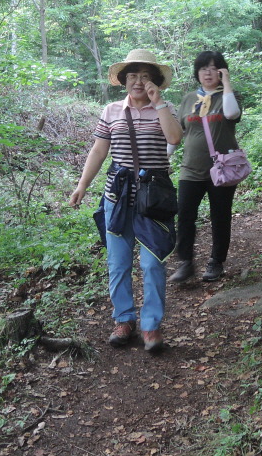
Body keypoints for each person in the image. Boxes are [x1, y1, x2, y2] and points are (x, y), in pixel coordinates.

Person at [68, 48, 182, 354]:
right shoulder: (111, 111)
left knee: (152, 263)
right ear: (124, 80)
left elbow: (174, 139)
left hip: (154, 200)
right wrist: (82, 186)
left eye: (145, 76)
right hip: (117, 198)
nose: (138, 81)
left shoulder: (165, 108)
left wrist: (159, 103)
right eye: (132, 75)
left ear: (154, 81)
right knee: (118, 264)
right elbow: (99, 150)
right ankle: (123, 319)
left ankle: (151, 325)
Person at [169, 51, 243, 284]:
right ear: (197, 73)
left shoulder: (229, 96)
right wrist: (164, 158)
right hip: (190, 168)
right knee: (185, 214)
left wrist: (227, 83)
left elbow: (232, 113)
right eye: (203, 68)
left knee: (220, 216)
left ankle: (216, 261)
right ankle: (185, 262)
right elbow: (177, 133)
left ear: (221, 71)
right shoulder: (189, 99)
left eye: (213, 68)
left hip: (222, 168)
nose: (208, 73)